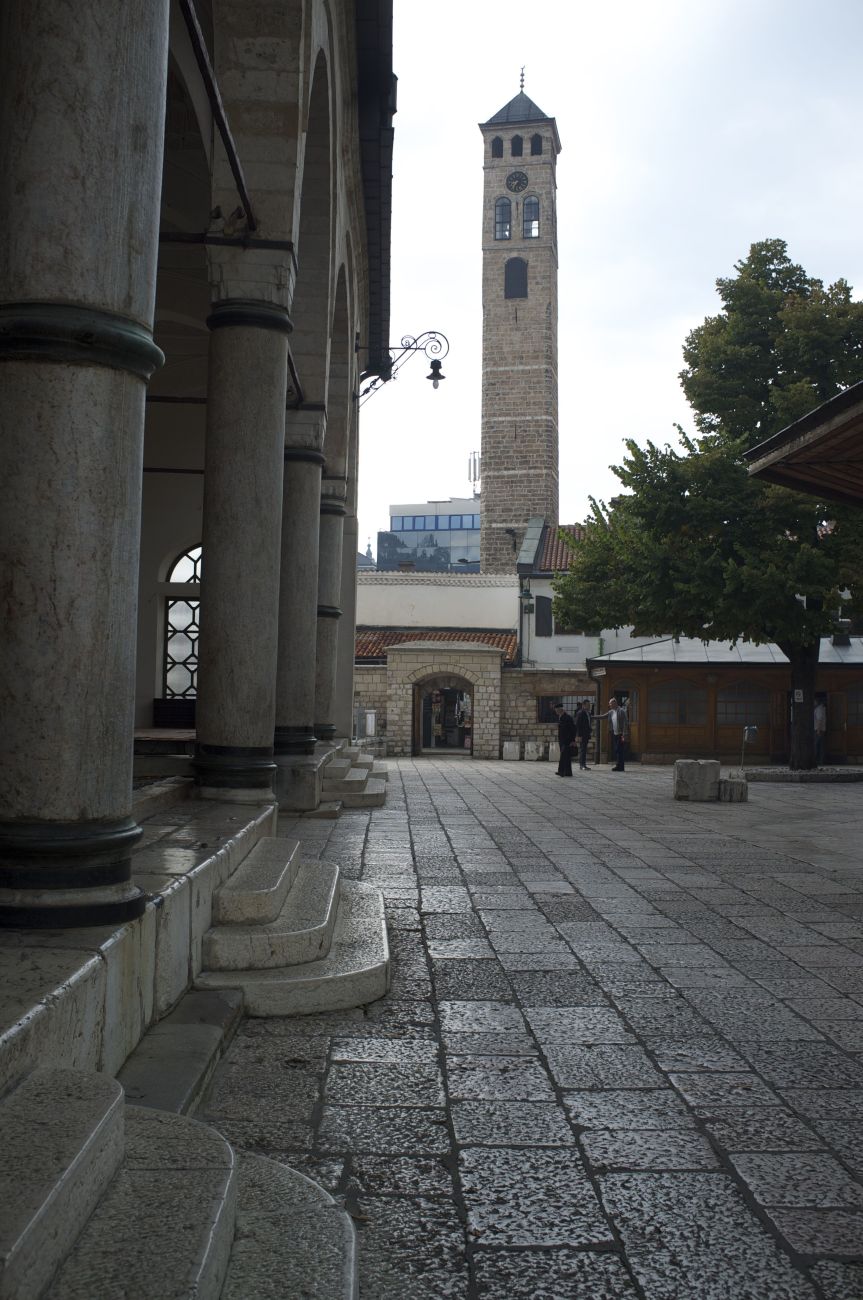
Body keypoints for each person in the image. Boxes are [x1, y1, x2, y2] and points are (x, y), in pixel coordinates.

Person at [595, 695, 628, 771]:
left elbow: (625, 723)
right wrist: (592, 717)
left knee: (620, 750)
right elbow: (603, 716)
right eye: (609, 704)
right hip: (614, 734)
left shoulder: (622, 711)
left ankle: (620, 766)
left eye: (610, 704)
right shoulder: (611, 712)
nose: (609, 705)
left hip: (621, 734)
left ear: (615, 703)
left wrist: (624, 734)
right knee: (617, 750)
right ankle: (619, 765)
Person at [553, 703, 576, 776]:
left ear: (560, 709)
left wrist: (572, 740)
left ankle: (562, 771)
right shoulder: (561, 717)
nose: (556, 711)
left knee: (564, 756)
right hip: (562, 740)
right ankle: (567, 772)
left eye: (556, 710)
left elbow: (573, 729)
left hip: (567, 740)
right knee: (565, 756)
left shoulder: (568, 718)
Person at [574, 701, 593, 771]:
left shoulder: (588, 713)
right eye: (588, 705)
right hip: (582, 734)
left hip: (586, 734)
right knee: (582, 750)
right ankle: (582, 765)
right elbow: (578, 724)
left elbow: (588, 722)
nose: (589, 706)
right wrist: (579, 735)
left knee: (584, 749)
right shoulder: (580, 713)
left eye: (589, 705)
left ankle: (584, 764)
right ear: (583, 705)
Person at [814, 697, 827, 767]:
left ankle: (816, 760)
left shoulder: (819, 709)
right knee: (821, 746)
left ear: (817, 701)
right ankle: (821, 760)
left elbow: (819, 720)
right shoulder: (822, 708)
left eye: (814, 701)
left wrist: (818, 730)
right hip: (821, 730)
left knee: (816, 745)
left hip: (818, 730)